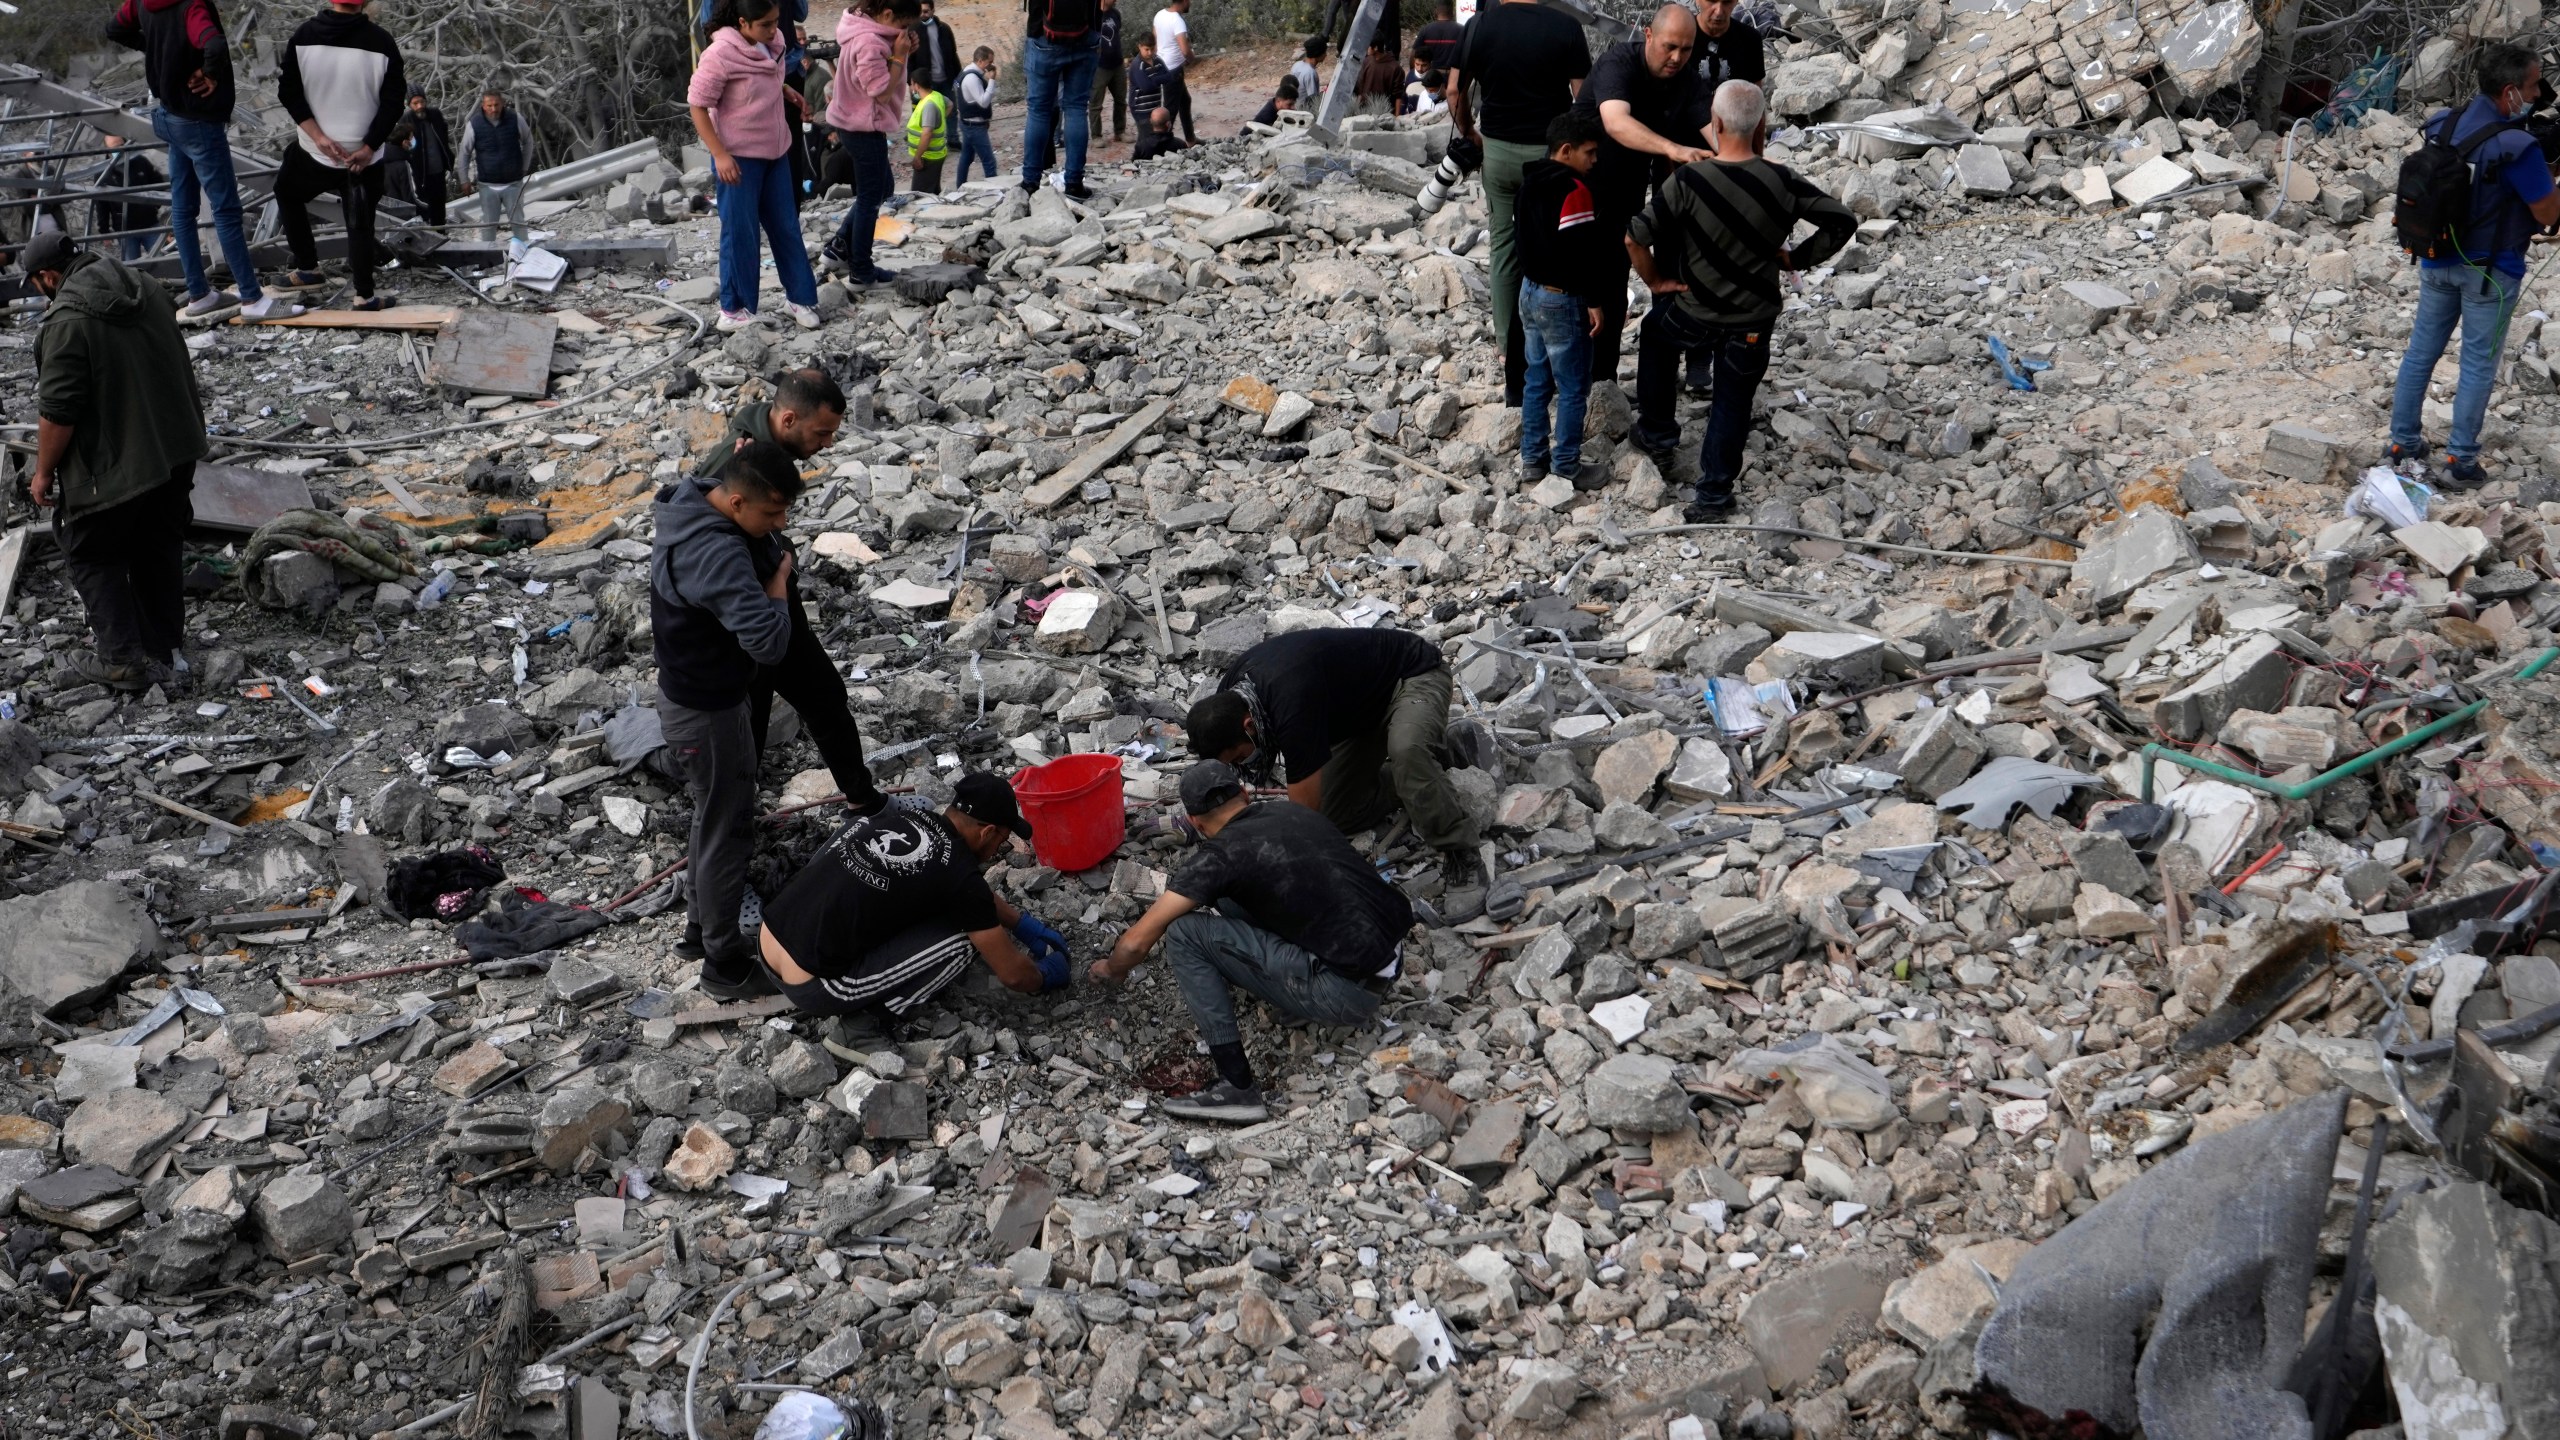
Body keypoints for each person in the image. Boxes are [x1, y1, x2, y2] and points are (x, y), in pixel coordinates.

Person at [657, 414, 887, 998]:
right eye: (771, 515)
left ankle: (696, 932)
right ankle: (723, 965)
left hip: (694, 695)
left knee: (713, 821)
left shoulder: (688, 504)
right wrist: (779, 581)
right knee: (729, 830)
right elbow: (769, 642)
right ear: (735, 502)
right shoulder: (721, 555)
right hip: (709, 709)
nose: (780, 526)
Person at [1092, 761, 1415, 1125]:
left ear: (1195, 822)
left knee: (1184, 933)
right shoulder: (1292, 811)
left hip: (1347, 992)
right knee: (1228, 896)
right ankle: (1295, 989)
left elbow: (1135, 944)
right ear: (1244, 795)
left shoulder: (1219, 858)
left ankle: (1237, 1087)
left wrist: (1111, 969)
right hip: (1388, 958)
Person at [1628, 80, 1854, 522]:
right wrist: (1796, 257)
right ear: (1761, 126)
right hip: (1753, 318)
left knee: (1656, 334)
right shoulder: (1783, 180)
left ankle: (1657, 435)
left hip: (1695, 310)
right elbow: (1841, 220)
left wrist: (1656, 281)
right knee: (1733, 400)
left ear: (1714, 123)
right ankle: (1712, 497)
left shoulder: (1689, 179)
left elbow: (1635, 236)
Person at [21, 231, 204, 694]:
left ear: (47, 277)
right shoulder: (143, 285)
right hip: (175, 447)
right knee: (157, 542)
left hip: (121, 463)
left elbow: (58, 413)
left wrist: (43, 473)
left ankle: (122, 661)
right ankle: (162, 647)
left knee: (91, 550)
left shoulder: (65, 322)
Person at [757, 775, 1069, 1046]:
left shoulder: (909, 818)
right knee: (964, 942)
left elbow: (969, 892)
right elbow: (1013, 975)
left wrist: (1020, 924)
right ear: (987, 832)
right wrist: (1043, 975)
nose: (998, 849)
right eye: (1002, 840)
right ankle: (861, 1025)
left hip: (768, 938)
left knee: (860, 844)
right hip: (815, 987)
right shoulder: (960, 874)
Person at [2389, 43, 2560, 489]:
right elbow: (2547, 216)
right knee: (2478, 366)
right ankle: (2461, 461)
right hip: (2490, 272)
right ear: (2509, 92)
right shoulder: (2518, 147)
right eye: (2532, 85)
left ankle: (2402, 444)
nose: (2539, 92)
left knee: (2420, 355)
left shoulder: (2444, 124)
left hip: (2435, 258)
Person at [1183, 627, 1481, 876]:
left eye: (1238, 758)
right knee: (1335, 813)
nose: (1242, 764)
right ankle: (1424, 770)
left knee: (1406, 750)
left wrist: (1272, 865)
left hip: (1412, 678)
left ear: (1249, 726)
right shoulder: (1231, 697)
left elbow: (1302, 819)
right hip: (1356, 716)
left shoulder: (1290, 705)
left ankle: (1459, 848)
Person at [103, 0, 297, 323]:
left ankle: (200, 294)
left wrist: (156, 49)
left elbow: (114, 28)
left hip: (167, 114)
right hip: (196, 119)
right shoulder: (190, 6)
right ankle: (252, 298)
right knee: (227, 209)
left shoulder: (141, 3)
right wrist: (208, 72)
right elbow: (214, 43)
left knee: (182, 208)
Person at [1448, 0, 1590, 405]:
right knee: (1556, 249)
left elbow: (1456, 90)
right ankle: (1556, 346)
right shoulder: (1566, 27)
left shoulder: (1478, 27)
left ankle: (1509, 348)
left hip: (1498, 151)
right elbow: (1583, 101)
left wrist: (1470, 132)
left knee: (1504, 246)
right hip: (1550, 159)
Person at [1575, 5, 1702, 387]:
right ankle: (1562, 384)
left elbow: (1715, 126)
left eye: (1685, 49)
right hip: (1582, 190)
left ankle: (1603, 382)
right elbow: (1616, 121)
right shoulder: (1619, 63)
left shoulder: (1687, 80)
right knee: (1579, 285)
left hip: (1628, 190)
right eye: (1669, 47)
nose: (1677, 57)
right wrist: (1672, 149)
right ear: (1648, 35)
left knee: (1614, 285)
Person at [693, 0, 827, 331]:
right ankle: (734, 309)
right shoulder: (720, 54)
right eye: (765, 25)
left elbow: (759, 79)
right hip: (737, 157)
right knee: (741, 231)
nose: (773, 30)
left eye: (775, 22)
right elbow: (698, 105)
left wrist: (784, 91)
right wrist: (720, 155)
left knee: (785, 224)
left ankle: (799, 297)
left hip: (775, 150)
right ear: (743, 23)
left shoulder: (774, 45)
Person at [273, 0, 405, 311]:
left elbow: (288, 92)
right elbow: (392, 103)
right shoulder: (382, 42)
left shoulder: (303, 36)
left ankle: (308, 268)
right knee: (359, 222)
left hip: (316, 152)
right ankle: (364, 296)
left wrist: (319, 138)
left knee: (287, 192)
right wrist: (369, 146)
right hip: (363, 156)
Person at [1516, 109, 1611, 486]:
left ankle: (1532, 459)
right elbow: (1580, 254)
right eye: (1589, 152)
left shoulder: (1529, 182)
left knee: (1536, 378)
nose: (1594, 160)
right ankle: (1567, 464)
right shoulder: (1575, 191)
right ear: (1567, 151)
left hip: (1530, 291)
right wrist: (1595, 301)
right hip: (1561, 298)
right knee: (1573, 387)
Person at [821, 0, 910, 282]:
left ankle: (838, 247)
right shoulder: (870, 42)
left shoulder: (864, 29)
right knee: (870, 200)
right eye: (903, 25)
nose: (904, 32)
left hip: (858, 123)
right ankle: (861, 269)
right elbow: (881, 91)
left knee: (883, 187)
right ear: (886, 14)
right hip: (863, 127)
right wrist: (899, 57)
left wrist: (902, 50)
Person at [1021, 0, 1100, 198]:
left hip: (1043, 36)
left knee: (1039, 110)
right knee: (1076, 107)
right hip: (1086, 33)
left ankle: (1030, 182)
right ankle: (1074, 183)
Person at [462, 88, 534, 254]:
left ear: (502, 103)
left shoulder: (515, 118)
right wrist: (464, 179)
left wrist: (524, 166)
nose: (493, 109)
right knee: (488, 224)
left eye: (496, 105)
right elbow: (464, 152)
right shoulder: (474, 124)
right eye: (489, 105)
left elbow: (528, 141)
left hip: (513, 182)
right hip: (487, 184)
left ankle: (524, 257)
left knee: (518, 222)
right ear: (483, 105)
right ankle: (487, 259)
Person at [91, 135, 165, 263]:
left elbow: (158, 184)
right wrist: (104, 231)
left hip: (150, 224)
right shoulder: (102, 173)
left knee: (163, 261)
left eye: (121, 145)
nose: (119, 150)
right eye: (114, 148)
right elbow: (101, 204)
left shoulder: (140, 162)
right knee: (132, 267)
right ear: (107, 150)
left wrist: (153, 206)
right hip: (125, 230)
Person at [402, 87, 453, 226]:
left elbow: (443, 137)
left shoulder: (435, 115)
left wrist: (448, 159)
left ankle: (442, 235)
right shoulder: (406, 120)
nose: (419, 106)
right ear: (409, 105)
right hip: (420, 175)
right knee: (425, 209)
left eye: (422, 102)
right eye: (415, 103)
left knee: (440, 206)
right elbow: (397, 144)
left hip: (438, 169)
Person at [956, 48, 1001, 185]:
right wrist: (992, 81)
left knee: (966, 157)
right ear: (980, 61)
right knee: (989, 161)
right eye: (990, 62)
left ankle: (960, 186)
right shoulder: (972, 78)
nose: (992, 65)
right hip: (974, 126)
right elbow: (983, 101)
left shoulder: (968, 72)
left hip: (968, 123)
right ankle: (994, 191)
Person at [1154, 0, 1196, 144]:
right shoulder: (1177, 21)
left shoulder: (1159, 15)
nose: (1190, 3)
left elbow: (1155, 41)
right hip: (1173, 69)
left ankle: (1191, 139)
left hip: (1162, 65)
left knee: (1185, 101)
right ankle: (1163, 144)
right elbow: (1184, 49)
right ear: (1183, 1)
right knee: (1170, 109)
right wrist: (1191, 58)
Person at [904, 68, 952, 194]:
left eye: (911, 84)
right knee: (933, 190)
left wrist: (918, 157)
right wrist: (940, 119)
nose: (910, 87)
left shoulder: (929, 105)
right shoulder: (936, 96)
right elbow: (950, 104)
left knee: (921, 195)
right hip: (934, 155)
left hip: (928, 157)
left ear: (917, 85)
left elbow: (927, 134)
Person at [1089, 0, 1129, 144]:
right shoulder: (1092, 14)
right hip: (1099, 66)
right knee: (1096, 102)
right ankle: (1096, 136)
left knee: (1120, 100)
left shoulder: (1115, 13)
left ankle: (1120, 131)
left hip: (1117, 64)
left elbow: (1117, 33)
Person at [912, 0, 963, 108]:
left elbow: (953, 55)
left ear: (933, 11)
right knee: (927, 115)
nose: (922, 15)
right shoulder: (913, 31)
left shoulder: (944, 29)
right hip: (925, 84)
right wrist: (911, 82)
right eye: (920, 12)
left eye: (926, 11)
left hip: (947, 82)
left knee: (951, 112)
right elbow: (909, 59)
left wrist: (958, 78)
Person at [1128, 34, 1170, 127]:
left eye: (1152, 49)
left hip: (1155, 106)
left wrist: (1153, 79)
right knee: (1146, 136)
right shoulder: (1137, 64)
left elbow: (1168, 77)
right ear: (1140, 47)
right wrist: (1159, 78)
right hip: (1140, 108)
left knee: (1156, 135)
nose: (1150, 52)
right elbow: (1146, 87)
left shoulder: (1157, 60)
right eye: (1146, 49)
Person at [1354, 39, 1402, 116]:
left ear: (1375, 48)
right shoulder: (1367, 61)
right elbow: (1361, 88)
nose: (1366, 48)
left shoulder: (1395, 68)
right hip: (1363, 112)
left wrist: (1397, 116)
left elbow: (1398, 95)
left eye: (1368, 46)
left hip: (1384, 114)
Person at [1413, 1, 1463, 72]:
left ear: (1436, 12)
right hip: (1455, 76)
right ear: (1452, 12)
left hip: (1430, 77)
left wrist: (1415, 74)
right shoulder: (1462, 30)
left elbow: (1414, 54)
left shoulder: (1425, 29)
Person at [1289, 37, 1327, 116]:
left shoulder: (1297, 65)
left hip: (1293, 108)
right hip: (1303, 112)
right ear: (1318, 54)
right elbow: (1313, 100)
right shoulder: (1310, 73)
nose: (1326, 55)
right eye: (1324, 52)